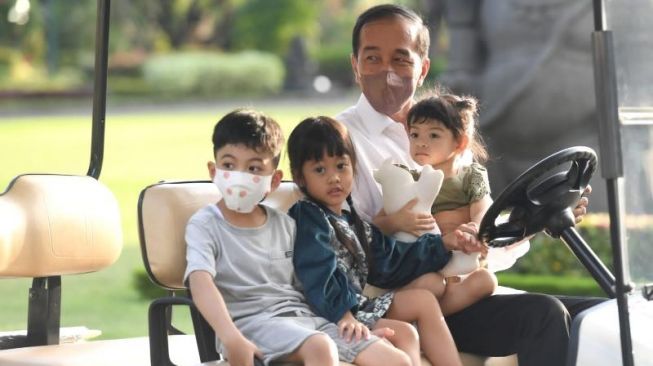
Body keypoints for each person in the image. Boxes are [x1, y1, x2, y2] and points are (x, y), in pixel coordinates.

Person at [336, 4, 604, 366]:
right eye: (373, 58)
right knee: (543, 315)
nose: (387, 70)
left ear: (423, 67)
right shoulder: (339, 140)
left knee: (604, 315)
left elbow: (484, 225)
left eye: (401, 59)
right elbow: (353, 243)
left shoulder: (446, 129)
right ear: (355, 65)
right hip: (401, 299)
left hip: (464, 286)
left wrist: (531, 221)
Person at [183, 109, 412, 366]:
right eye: (229, 165)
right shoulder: (205, 224)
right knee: (320, 347)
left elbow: (310, 284)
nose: (241, 176)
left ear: (274, 181)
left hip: (307, 321)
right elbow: (200, 282)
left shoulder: (285, 224)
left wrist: (353, 327)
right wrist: (231, 337)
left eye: (254, 168)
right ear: (213, 171)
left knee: (395, 359)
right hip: (252, 325)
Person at [287, 116, 486, 366]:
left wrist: (443, 244)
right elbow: (317, 271)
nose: (334, 178)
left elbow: (392, 260)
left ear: (353, 168)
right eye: (320, 170)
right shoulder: (308, 216)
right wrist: (344, 315)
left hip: (357, 308)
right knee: (407, 328)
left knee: (422, 302)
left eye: (341, 166)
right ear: (300, 177)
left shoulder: (351, 222)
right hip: (328, 312)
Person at [403, 91, 498, 312]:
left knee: (486, 280)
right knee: (430, 284)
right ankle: (426, 315)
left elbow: (482, 209)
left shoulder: (470, 175)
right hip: (431, 261)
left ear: (460, 142)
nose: (421, 143)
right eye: (414, 135)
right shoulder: (411, 180)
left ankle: (434, 314)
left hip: (465, 260)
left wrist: (476, 229)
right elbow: (388, 219)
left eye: (433, 136)